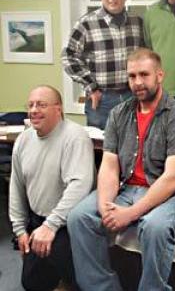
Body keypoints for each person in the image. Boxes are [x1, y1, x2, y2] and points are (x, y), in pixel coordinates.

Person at [67, 48, 175, 291]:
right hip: (128, 188)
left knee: (155, 227)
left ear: (160, 76)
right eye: (132, 76)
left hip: (170, 193)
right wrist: (106, 206)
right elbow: (109, 166)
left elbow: (173, 178)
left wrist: (131, 213)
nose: (137, 83)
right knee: (79, 217)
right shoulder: (118, 113)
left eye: (144, 75)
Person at [9, 85, 95, 290]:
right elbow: (16, 187)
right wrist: (20, 230)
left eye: (41, 104)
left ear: (58, 109)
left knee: (77, 281)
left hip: (69, 223)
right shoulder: (23, 139)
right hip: (37, 220)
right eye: (30, 105)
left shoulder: (75, 137)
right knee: (31, 284)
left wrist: (51, 225)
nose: (34, 110)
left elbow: (79, 186)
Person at [62, 0, 144, 130]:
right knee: (101, 149)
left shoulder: (137, 23)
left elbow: (145, 58)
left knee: (132, 146)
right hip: (101, 99)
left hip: (132, 95)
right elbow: (68, 56)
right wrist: (91, 87)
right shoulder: (86, 23)